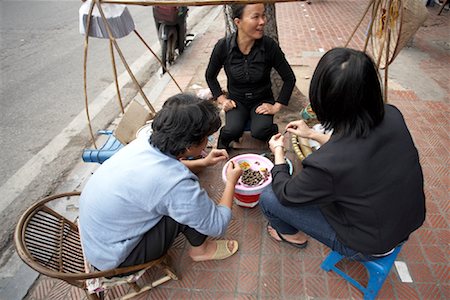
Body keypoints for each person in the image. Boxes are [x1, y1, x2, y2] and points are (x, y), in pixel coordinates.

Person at [259, 47, 426, 260]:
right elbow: (357, 149)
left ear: (324, 101)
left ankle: (292, 236)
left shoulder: (327, 164)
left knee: (269, 197)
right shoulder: (392, 115)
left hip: (368, 244)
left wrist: (279, 154)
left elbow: (287, 194)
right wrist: (312, 134)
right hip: (405, 222)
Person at [79, 93, 243, 271]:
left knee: (186, 201)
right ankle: (200, 251)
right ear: (189, 146)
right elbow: (217, 224)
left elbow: (165, 165)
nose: (209, 142)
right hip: (116, 258)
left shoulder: (146, 140)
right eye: (207, 138)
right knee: (191, 205)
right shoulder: (176, 184)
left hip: (99, 236)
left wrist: (203, 162)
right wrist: (231, 183)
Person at [205, 3, 296, 150]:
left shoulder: (269, 46)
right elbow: (210, 76)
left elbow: (289, 78)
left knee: (260, 131)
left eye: (263, 15)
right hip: (237, 101)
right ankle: (223, 148)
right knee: (231, 131)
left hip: (261, 101)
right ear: (238, 22)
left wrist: (276, 106)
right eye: (255, 17)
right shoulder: (223, 46)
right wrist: (222, 99)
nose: (262, 22)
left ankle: (271, 134)